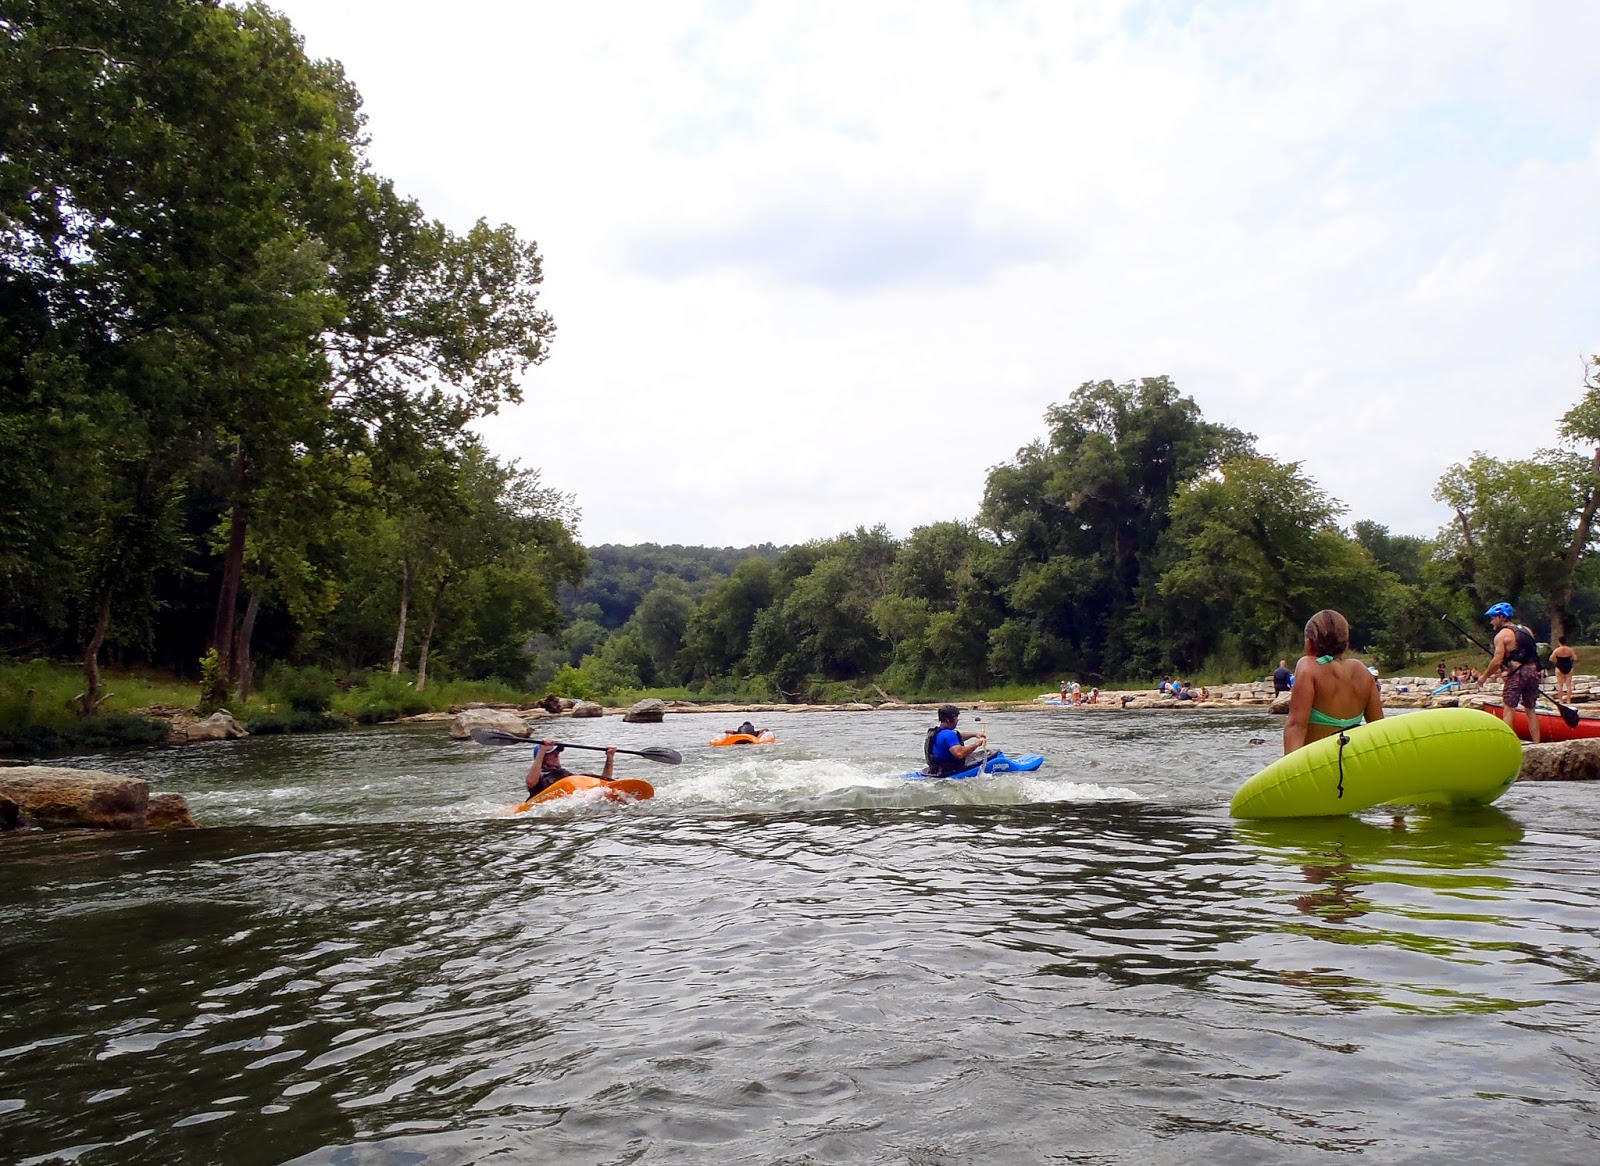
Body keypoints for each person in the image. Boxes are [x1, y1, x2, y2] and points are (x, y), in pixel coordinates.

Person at [1283, 609, 1384, 755]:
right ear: (1345, 643)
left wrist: (1289, 767)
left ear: (1309, 643)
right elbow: (1378, 728)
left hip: (1317, 764)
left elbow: (1296, 725)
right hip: (1350, 763)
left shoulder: (1308, 667)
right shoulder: (1361, 671)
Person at [1482, 602, 1542, 744]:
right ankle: (1537, 743)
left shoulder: (1502, 635)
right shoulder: (1527, 630)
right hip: (1533, 672)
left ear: (1502, 617)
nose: (1491, 621)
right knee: (1531, 710)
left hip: (1517, 675)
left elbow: (1497, 661)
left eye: (1493, 618)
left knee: (1509, 709)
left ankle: (1507, 744)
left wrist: (1484, 676)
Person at [525, 739, 617, 798]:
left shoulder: (565, 775)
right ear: (543, 758)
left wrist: (610, 757)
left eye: (557, 753)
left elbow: (604, 781)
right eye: (552, 754)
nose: (557, 755)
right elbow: (531, 782)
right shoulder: (539, 776)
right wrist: (542, 750)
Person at [922, 704, 987, 777]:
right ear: (949, 720)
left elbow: (958, 737)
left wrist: (974, 734)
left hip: (936, 769)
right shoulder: (949, 734)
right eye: (956, 718)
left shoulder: (938, 733)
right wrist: (977, 744)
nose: (957, 720)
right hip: (950, 771)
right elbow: (960, 753)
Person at [1551, 635, 1578, 702]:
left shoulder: (1557, 650)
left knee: (1560, 685)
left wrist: (1556, 661)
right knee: (1568, 685)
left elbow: (1551, 658)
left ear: (1559, 642)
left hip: (1559, 666)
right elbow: (1575, 658)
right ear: (1565, 641)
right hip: (1568, 665)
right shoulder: (1569, 649)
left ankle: (1561, 700)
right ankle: (1568, 700)